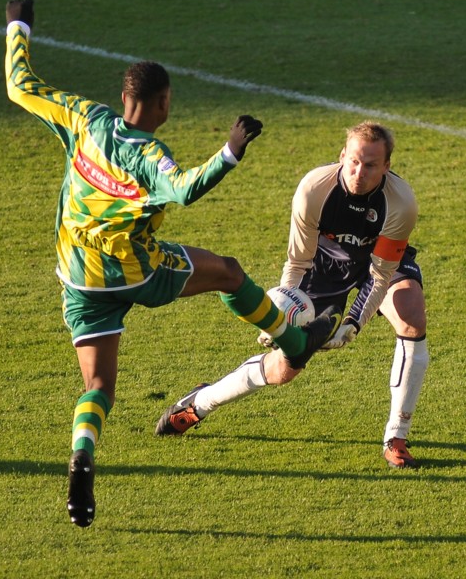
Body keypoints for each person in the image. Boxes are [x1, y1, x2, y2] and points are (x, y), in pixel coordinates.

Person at [3, 0, 342, 527]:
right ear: (163, 103)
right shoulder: (149, 156)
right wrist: (229, 151)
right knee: (227, 272)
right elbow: (184, 190)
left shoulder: (84, 117)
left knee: (97, 388)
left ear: (123, 97)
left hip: (78, 277)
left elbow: (20, 86)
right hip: (138, 271)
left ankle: (83, 453)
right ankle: (297, 341)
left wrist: (17, 27)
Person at [155, 121, 429, 469]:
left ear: (387, 166)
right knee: (286, 370)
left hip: (376, 265)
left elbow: (380, 274)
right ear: (343, 155)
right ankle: (201, 402)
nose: (360, 171)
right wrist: (277, 318)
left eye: (372, 165)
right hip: (322, 272)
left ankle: (396, 437)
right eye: (355, 161)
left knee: (410, 314)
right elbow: (297, 263)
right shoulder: (314, 189)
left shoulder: (401, 203)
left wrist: (353, 323)